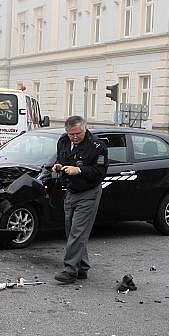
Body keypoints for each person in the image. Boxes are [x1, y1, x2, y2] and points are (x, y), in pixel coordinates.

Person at [52, 115, 109, 284]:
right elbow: (61, 159)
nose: (75, 137)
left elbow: (100, 173)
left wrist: (79, 170)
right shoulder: (63, 141)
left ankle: (70, 270)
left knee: (77, 232)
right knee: (72, 231)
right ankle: (82, 268)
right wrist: (57, 166)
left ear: (85, 129)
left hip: (89, 192)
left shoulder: (97, 146)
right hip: (70, 191)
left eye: (78, 133)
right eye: (71, 134)